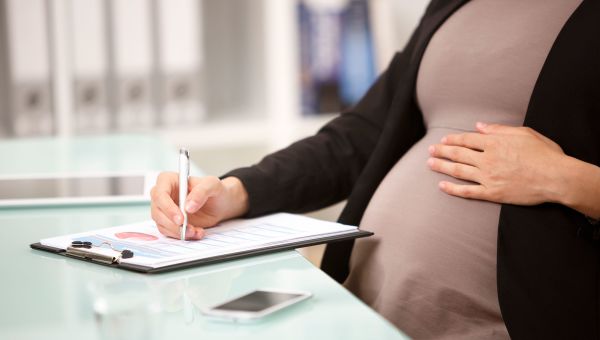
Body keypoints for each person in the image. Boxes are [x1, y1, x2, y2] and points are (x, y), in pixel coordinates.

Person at [151, 0, 600, 338]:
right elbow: (364, 134)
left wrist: (564, 179)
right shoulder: (456, 4)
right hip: (366, 308)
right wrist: (237, 192)